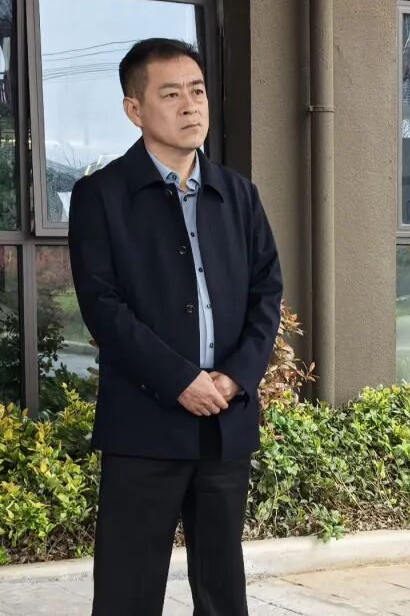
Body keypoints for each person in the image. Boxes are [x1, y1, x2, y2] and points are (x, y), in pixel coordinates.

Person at [69, 38, 283, 616]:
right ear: (134, 109)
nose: (191, 106)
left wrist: (236, 377)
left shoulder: (238, 194)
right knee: (128, 592)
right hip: (143, 427)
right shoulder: (101, 196)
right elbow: (103, 306)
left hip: (224, 424)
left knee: (223, 591)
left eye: (198, 91)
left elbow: (267, 292)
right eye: (171, 95)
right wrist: (179, 380)